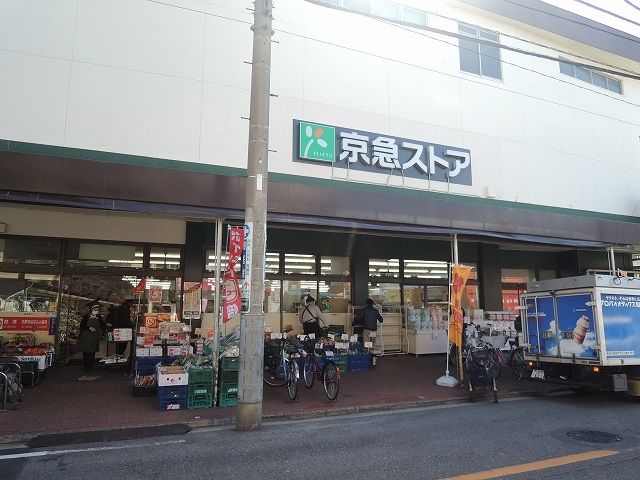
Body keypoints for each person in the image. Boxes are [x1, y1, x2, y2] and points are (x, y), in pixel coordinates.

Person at [76, 303, 104, 374]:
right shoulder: (86, 316)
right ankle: (86, 367)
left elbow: (102, 324)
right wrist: (89, 327)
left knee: (92, 353)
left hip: (94, 337)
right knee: (86, 353)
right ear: (91, 309)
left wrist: (107, 324)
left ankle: (90, 367)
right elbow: (82, 325)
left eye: (98, 310)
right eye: (95, 309)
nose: (97, 311)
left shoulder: (99, 316)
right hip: (86, 337)